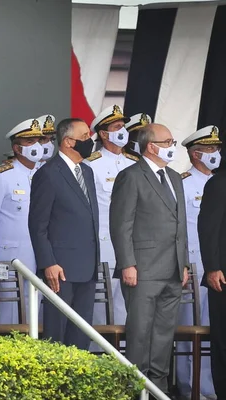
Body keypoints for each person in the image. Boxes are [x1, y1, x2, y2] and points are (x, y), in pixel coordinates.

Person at [110, 123, 188, 395]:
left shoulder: (175, 177)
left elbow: (181, 225)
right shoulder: (131, 176)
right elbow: (121, 224)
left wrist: (184, 263)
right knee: (141, 334)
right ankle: (136, 390)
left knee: (164, 334)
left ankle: (158, 390)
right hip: (142, 270)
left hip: (173, 269)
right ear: (151, 146)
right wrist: (127, 263)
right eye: (168, 142)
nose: (172, 146)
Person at [28, 118, 99, 350]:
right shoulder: (48, 174)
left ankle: (78, 381)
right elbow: (38, 225)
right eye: (85, 137)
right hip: (60, 270)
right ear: (69, 142)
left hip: (87, 266)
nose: (90, 141)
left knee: (81, 333)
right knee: (57, 333)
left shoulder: (86, 172)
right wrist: (48, 263)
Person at [176, 126, 221, 399]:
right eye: (209, 149)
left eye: (217, 148)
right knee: (188, 324)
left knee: (212, 326)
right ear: (195, 154)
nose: (215, 154)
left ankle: (211, 386)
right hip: (192, 264)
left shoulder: (219, 181)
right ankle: (187, 385)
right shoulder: (181, 182)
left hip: (216, 263)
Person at [85, 105, 138, 329]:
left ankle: (126, 359)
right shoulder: (91, 165)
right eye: (117, 127)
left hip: (133, 246)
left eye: (124, 127)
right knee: (101, 307)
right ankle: (100, 356)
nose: (123, 131)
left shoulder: (135, 164)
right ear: (104, 134)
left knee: (129, 308)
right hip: (104, 244)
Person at [0, 118, 44, 324]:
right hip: (10, 256)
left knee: (36, 308)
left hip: (39, 254)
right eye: (29, 142)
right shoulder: (2, 176)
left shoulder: (45, 172)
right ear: (16, 147)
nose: (36, 146)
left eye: (38, 141)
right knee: (9, 310)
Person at [198, 137, 226, 400]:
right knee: (223, 341)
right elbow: (208, 229)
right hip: (223, 277)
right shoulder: (219, 183)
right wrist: (213, 267)